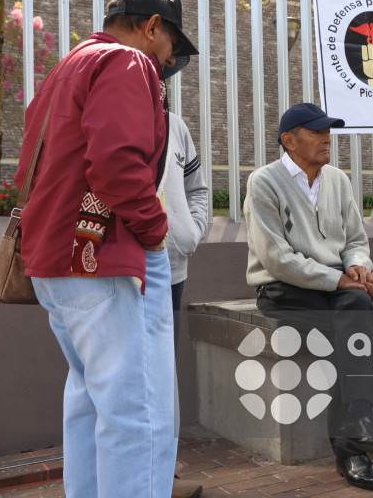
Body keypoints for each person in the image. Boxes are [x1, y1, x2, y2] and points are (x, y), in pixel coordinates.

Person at [14, 0, 198, 497]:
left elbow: (31, 162)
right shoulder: (127, 62)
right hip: (105, 253)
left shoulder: (68, 66)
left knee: (91, 402)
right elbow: (117, 163)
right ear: (152, 26)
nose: (168, 61)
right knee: (135, 414)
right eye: (171, 45)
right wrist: (156, 233)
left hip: (54, 255)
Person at [244, 103, 373, 491]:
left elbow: (354, 240)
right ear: (289, 140)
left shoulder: (337, 179)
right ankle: (353, 445)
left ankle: (356, 428)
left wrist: (359, 266)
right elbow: (277, 259)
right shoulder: (264, 181)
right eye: (316, 132)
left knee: (357, 318)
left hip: (335, 288)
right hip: (283, 290)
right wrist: (338, 280)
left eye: (328, 131)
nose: (327, 138)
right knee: (353, 338)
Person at [164, 113, 209, 498]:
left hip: (171, 269)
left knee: (164, 373)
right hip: (120, 269)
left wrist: (190, 233)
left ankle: (161, 474)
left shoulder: (175, 127)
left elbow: (197, 188)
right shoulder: (111, 110)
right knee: (125, 379)